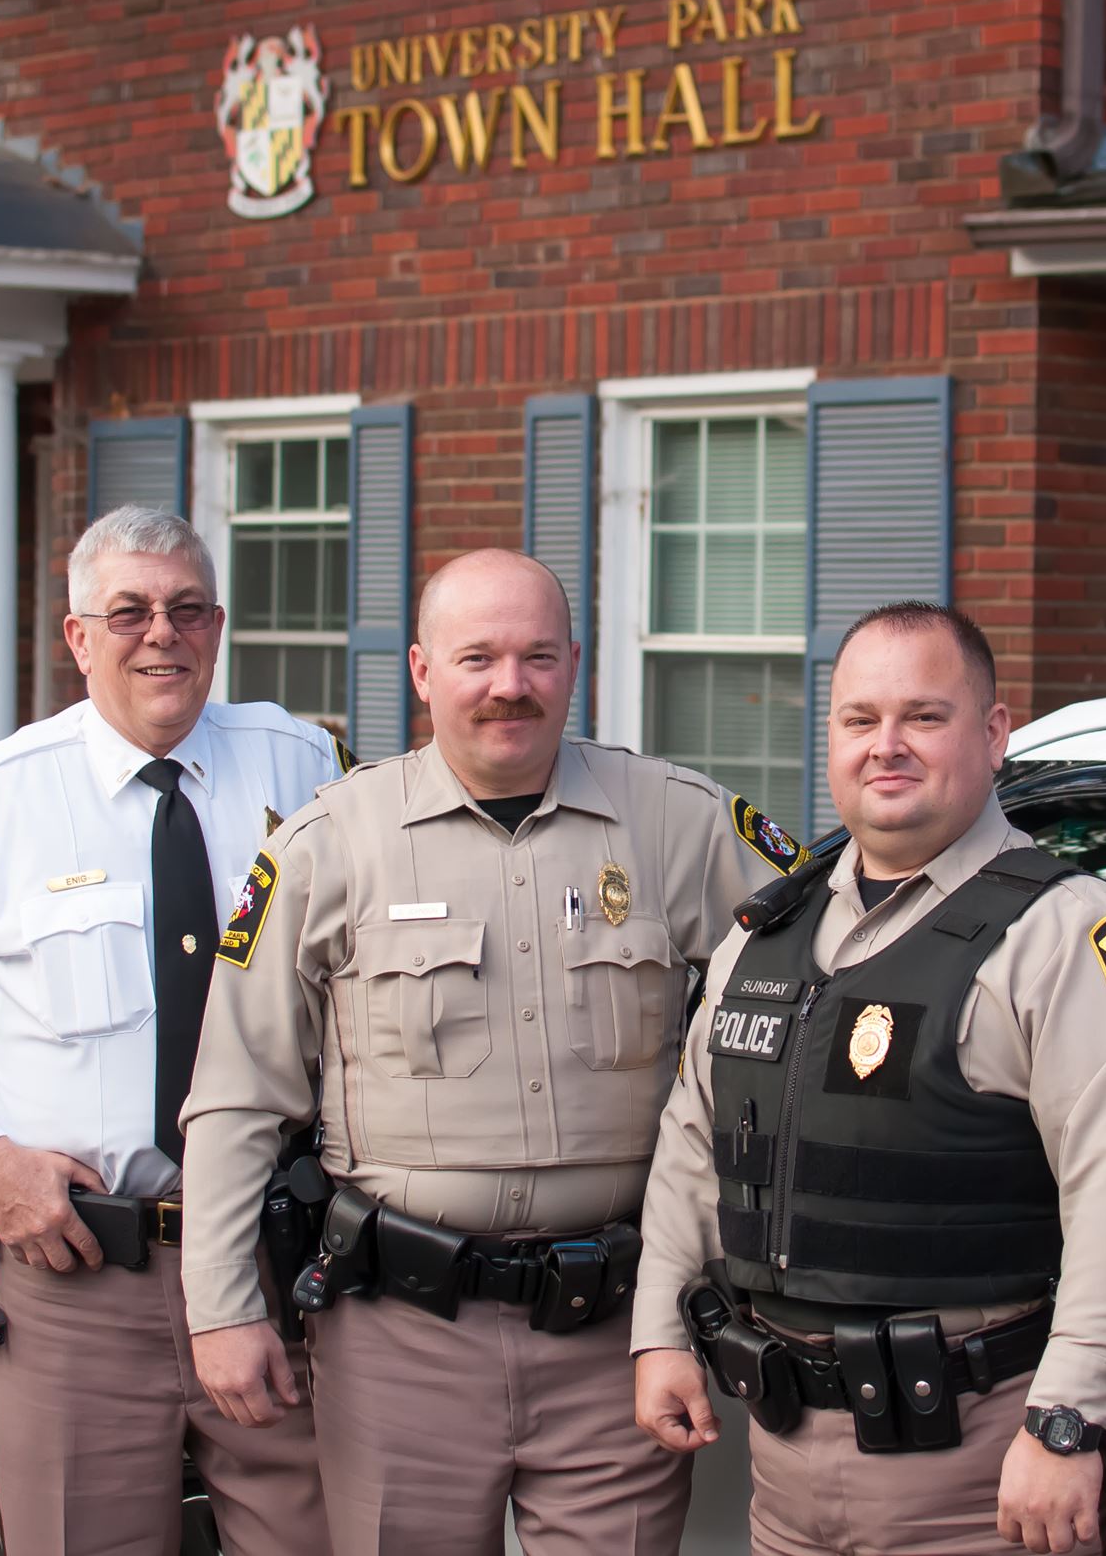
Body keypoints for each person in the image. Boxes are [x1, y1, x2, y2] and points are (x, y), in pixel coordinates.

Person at [178, 547, 804, 1556]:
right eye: (477, 658)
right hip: (399, 1338)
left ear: (575, 663)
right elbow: (235, 1095)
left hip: (620, 1330)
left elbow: (813, 988)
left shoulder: (678, 821)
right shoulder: (326, 843)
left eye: (536, 656)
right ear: (421, 670)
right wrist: (220, 1305)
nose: (508, 685)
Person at [0, 506, 342, 1556]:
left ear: (218, 624)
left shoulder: (304, 765)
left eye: (187, 609)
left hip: (273, 1264)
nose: (162, 634)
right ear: (77, 636)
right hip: (81, 1284)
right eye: (130, 611)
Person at [634, 601, 1106, 1556]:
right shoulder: (764, 933)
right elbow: (699, 1141)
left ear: (993, 731)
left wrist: (1067, 1422)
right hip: (782, 1453)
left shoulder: (1071, 939)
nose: (886, 745)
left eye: (924, 717)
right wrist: (658, 1329)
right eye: (860, 719)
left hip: (981, 1459)